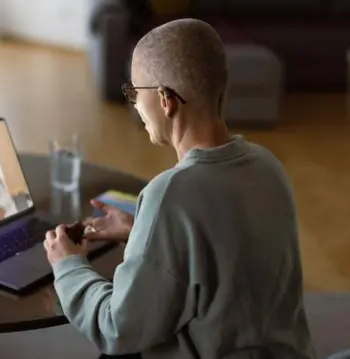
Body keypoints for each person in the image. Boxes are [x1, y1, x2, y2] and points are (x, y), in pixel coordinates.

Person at [43, 19, 317, 359]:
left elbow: (117, 329)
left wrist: (68, 265)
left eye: (134, 92)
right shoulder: (269, 166)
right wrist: (142, 232)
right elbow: (226, 255)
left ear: (165, 100)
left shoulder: (170, 195)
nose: (134, 104)